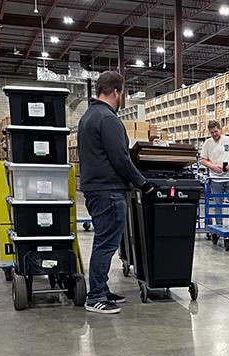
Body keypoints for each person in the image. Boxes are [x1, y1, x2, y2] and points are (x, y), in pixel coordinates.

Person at [78, 70, 155, 314]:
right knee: (105, 244)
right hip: (108, 190)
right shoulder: (108, 118)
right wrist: (143, 183)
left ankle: (101, 288)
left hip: (96, 189)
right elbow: (120, 158)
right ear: (116, 92)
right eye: (123, 93)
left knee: (104, 241)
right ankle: (96, 296)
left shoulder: (89, 116)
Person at [200, 120, 229, 228]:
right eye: (212, 132)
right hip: (215, 179)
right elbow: (203, 160)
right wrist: (213, 166)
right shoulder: (208, 143)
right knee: (217, 204)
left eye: (216, 131)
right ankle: (219, 227)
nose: (214, 134)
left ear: (220, 129)